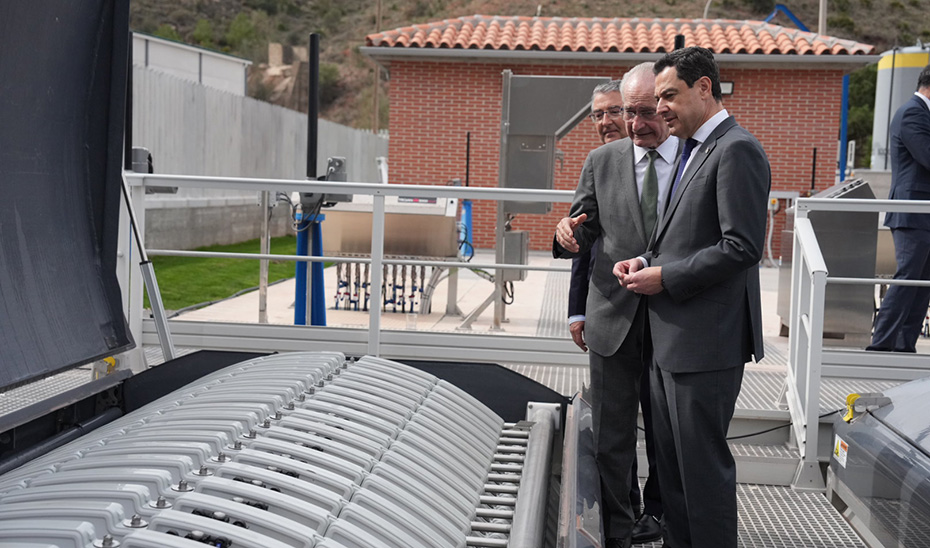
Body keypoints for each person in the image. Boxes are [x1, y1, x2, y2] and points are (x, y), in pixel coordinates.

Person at [613, 47, 770, 548]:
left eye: (669, 96)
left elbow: (741, 246)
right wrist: (646, 262)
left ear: (705, 88)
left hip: (705, 344)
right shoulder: (692, 148)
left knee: (701, 476)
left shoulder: (735, 148)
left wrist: (668, 278)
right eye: (657, 98)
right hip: (672, 339)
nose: (659, 109)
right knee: (676, 476)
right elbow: (681, 236)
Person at [556, 63, 676, 548]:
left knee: (669, 439)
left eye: (645, 111)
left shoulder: (697, 159)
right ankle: (619, 531)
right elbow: (582, 227)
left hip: (674, 322)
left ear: (667, 107)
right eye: (628, 112)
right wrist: (566, 234)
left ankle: (662, 518)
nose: (633, 123)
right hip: (612, 320)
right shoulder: (601, 162)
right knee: (610, 439)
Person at [867, 64, 930, 353]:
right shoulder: (912, 113)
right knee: (908, 277)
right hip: (912, 211)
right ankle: (881, 345)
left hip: (924, 212)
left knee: (923, 282)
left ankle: (905, 346)